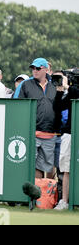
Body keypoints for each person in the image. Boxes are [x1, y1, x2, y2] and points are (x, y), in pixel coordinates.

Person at [14, 58, 57, 179]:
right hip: (32, 132)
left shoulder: (55, 84)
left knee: (49, 167)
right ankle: (35, 194)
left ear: (45, 70)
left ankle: (46, 196)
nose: (35, 71)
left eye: (38, 68)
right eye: (33, 68)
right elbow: (19, 106)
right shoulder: (26, 84)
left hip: (50, 133)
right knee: (34, 166)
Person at [53, 68, 79, 210]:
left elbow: (77, 93)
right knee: (66, 168)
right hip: (69, 132)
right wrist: (59, 90)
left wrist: (69, 87)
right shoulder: (71, 92)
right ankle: (64, 200)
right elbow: (57, 107)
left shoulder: (74, 90)